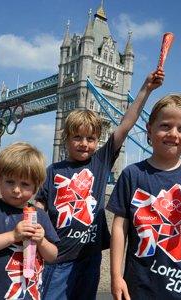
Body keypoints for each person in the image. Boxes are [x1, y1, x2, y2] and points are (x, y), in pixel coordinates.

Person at [36, 69, 165, 300]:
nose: (84, 144)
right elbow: (39, 206)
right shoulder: (53, 171)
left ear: (98, 141)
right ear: (65, 139)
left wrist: (146, 88)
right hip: (58, 259)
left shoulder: (101, 160)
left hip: (90, 257)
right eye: (77, 137)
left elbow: (126, 125)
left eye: (91, 139)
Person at [107, 94, 181, 300]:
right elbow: (119, 228)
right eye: (165, 126)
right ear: (149, 129)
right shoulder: (132, 175)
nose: (173, 134)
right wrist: (116, 276)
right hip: (139, 286)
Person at [0, 142, 59, 300]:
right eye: (10, 182)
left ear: (36, 187)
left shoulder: (40, 216)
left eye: (25, 184)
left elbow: (53, 255)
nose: (16, 189)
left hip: (28, 295)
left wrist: (42, 241)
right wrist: (13, 236)